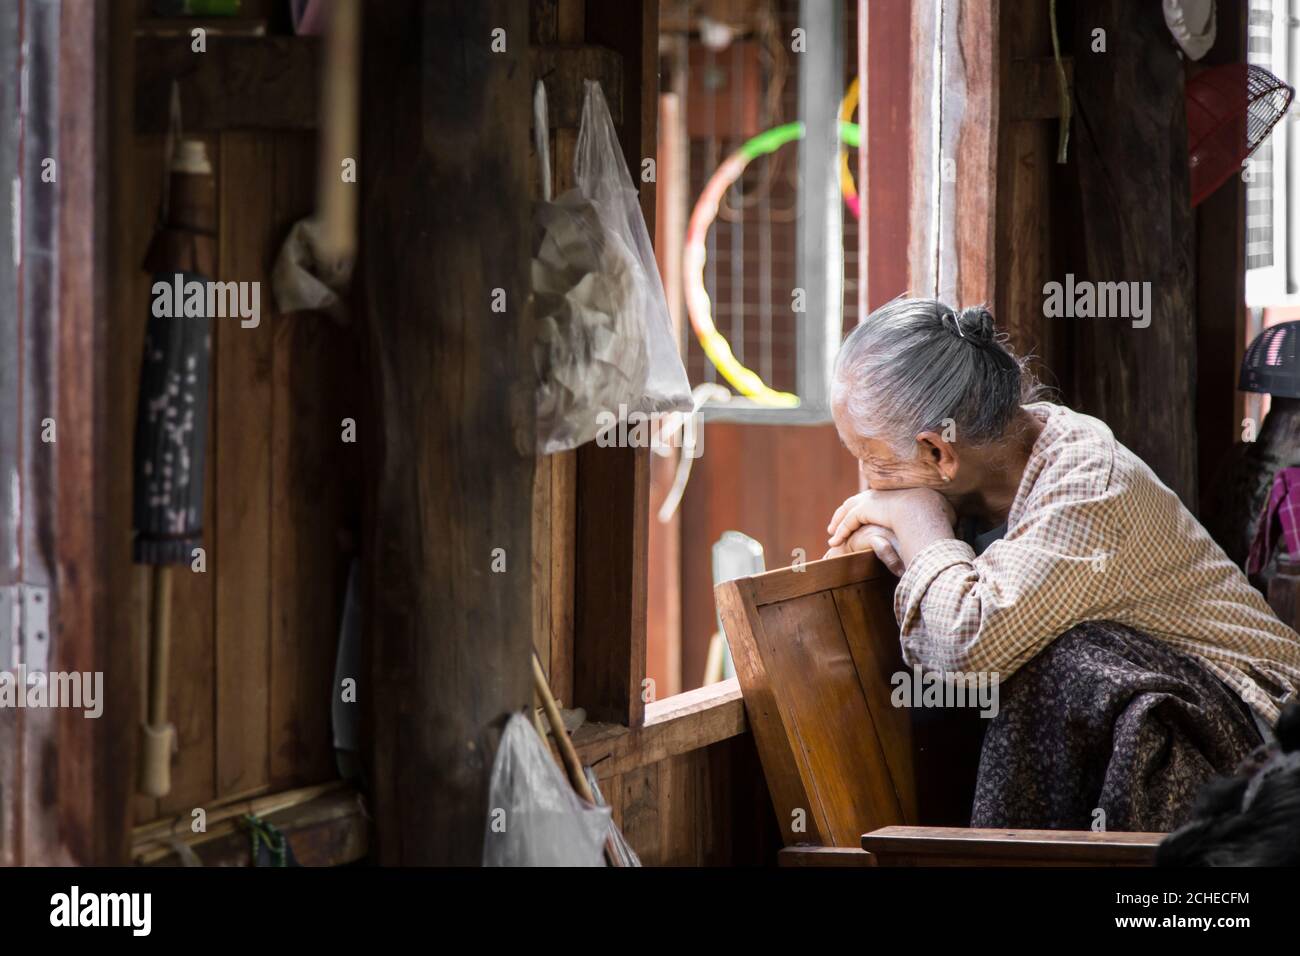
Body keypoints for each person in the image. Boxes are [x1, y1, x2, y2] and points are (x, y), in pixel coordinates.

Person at [823, 296, 1300, 830]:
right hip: (1200, 730)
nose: (869, 483)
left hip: (1266, 747)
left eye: (870, 458)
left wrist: (916, 522)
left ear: (939, 453)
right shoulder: (985, 475)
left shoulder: (1087, 484)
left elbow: (969, 647)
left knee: (1063, 665)